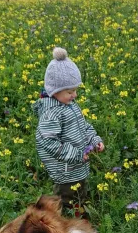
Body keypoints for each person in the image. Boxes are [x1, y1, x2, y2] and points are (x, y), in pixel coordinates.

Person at [32, 47, 104, 217]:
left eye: (75, 90)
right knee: (66, 199)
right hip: (64, 169)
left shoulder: (69, 105)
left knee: (79, 191)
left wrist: (94, 140)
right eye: (70, 92)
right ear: (54, 91)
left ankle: (80, 214)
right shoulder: (51, 113)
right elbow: (48, 142)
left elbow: (83, 126)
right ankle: (64, 225)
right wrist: (76, 155)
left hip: (77, 164)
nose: (75, 95)